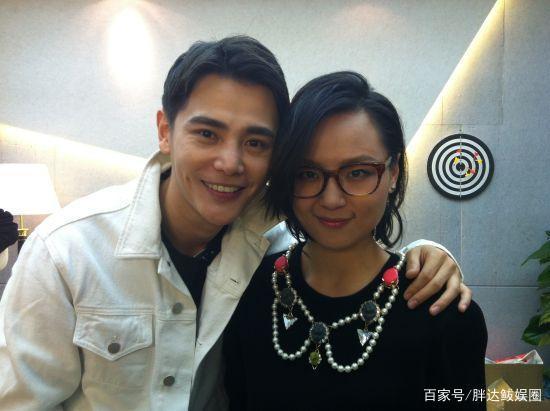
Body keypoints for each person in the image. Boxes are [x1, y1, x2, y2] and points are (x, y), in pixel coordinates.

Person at [0, 37, 468, 410]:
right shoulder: (66, 252)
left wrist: (425, 256)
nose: (230, 162)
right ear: (165, 130)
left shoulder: (270, 246)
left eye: (256, 142)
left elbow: (349, 246)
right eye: (207, 133)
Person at [223, 71, 487, 410]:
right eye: (308, 174)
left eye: (358, 172)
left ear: (393, 172)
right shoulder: (247, 291)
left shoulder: (444, 315)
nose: (331, 199)